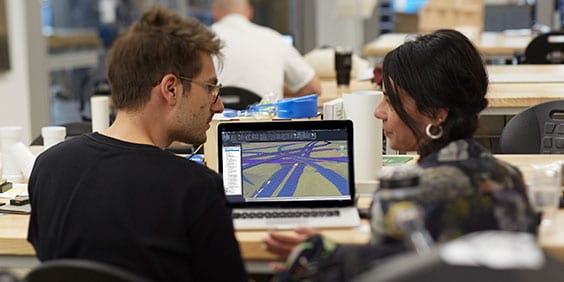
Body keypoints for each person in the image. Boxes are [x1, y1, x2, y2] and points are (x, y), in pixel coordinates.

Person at [263, 29, 538, 280]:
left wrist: (322, 254)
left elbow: (392, 274)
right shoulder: (510, 180)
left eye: (390, 100)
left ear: (436, 113)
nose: (378, 111)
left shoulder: (399, 198)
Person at [27, 7, 248, 282]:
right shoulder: (196, 188)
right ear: (171, 89)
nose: (218, 105)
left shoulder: (48, 167)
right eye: (210, 89)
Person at [211, 0, 322, 101]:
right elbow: (313, 88)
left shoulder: (202, 42)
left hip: (215, 121)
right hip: (264, 120)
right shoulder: (273, 38)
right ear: (250, 12)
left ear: (215, 13)